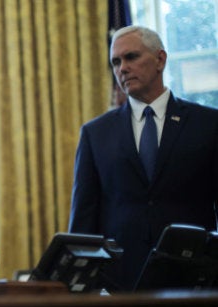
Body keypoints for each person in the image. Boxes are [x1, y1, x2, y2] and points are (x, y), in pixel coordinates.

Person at [68, 25, 218, 292]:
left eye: (131, 57)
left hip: (194, 281)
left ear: (160, 59)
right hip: (119, 285)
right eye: (116, 62)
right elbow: (84, 221)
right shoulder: (95, 133)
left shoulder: (207, 124)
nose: (122, 68)